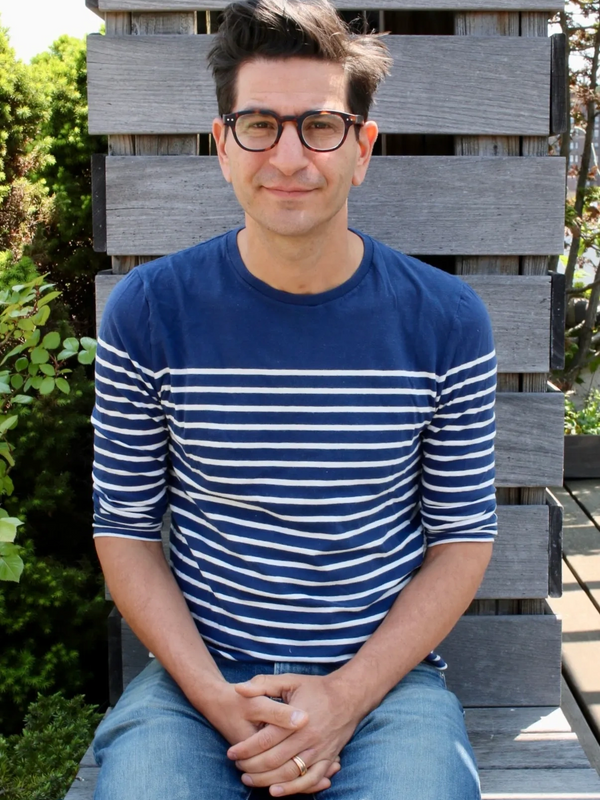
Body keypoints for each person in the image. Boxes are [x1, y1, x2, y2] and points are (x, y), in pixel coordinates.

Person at [91, 0, 497, 797]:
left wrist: (345, 698)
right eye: (258, 125)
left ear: (361, 149)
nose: (287, 155)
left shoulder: (446, 321)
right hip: (196, 684)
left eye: (319, 125)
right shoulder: (146, 312)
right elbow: (125, 531)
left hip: (383, 690)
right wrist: (217, 699)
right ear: (222, 145)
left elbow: (462, 538)